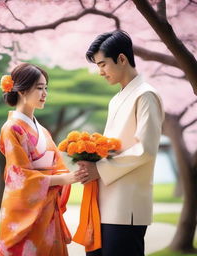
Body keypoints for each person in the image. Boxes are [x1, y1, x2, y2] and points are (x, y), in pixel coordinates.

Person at [77, 30, 164, 256]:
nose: (100, 72)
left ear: (122, 59)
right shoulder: (116, 99)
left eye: (103, 64)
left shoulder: (146, 95)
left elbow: (145, 150)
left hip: (127, 208)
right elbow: (114, 146)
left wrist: (99, 168)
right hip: (104, 203)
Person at [0, 63, 86, 256]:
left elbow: (58, 166)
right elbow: (18, 177)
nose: (45, 93)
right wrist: (62, 180)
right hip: (25, 212)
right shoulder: (11, 128)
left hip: (47, 208)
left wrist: (73, 172)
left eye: (46, 88)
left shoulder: (42, 130)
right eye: (39, 88)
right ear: (21, 90)